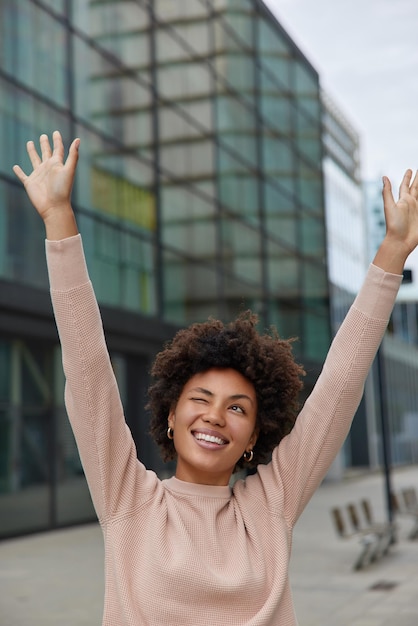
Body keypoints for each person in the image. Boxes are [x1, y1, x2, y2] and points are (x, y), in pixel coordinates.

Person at [13, 131, 418, 626]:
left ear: (254, 435)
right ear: (170, 414)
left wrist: (393, 253)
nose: (215, 416)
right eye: (200, 398)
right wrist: (59, 220)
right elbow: (89, 372)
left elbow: (337, 388)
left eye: (237, 408)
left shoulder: (272, 504)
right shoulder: (128, 500)